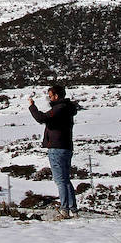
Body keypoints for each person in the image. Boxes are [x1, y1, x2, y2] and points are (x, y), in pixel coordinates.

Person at [28, 84, 80, 218]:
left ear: (56, 96)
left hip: (57, 148)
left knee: (60, 180)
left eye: (50, 96)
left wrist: (32, 106)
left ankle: (65, 209)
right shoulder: (68, 109)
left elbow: (41, 118)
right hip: (67, 147)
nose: (49, 99)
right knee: (66, 180)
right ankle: (73, 209)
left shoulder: (59, 109)